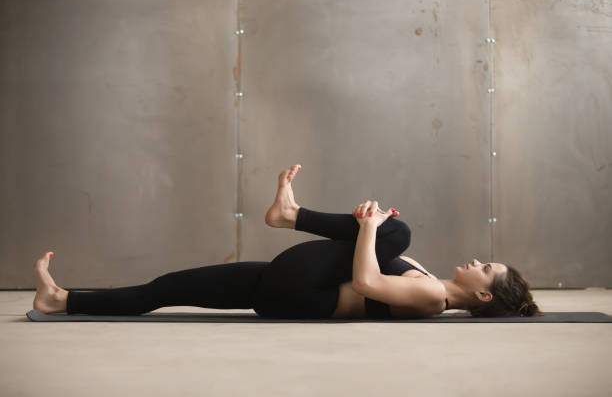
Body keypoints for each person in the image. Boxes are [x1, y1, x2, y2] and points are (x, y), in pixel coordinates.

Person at [33, 164, 543, 319]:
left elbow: (365, 279)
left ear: (482, 294)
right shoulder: (427, 279)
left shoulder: (433, 297)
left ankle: (291, 215)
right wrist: (373, 230)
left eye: (486, 268)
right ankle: (61, 299)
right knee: (165, 288)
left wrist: (372, 229)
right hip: (284, 291)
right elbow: (368, 260)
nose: (477, 260)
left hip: (304, 295)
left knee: (397, 232)